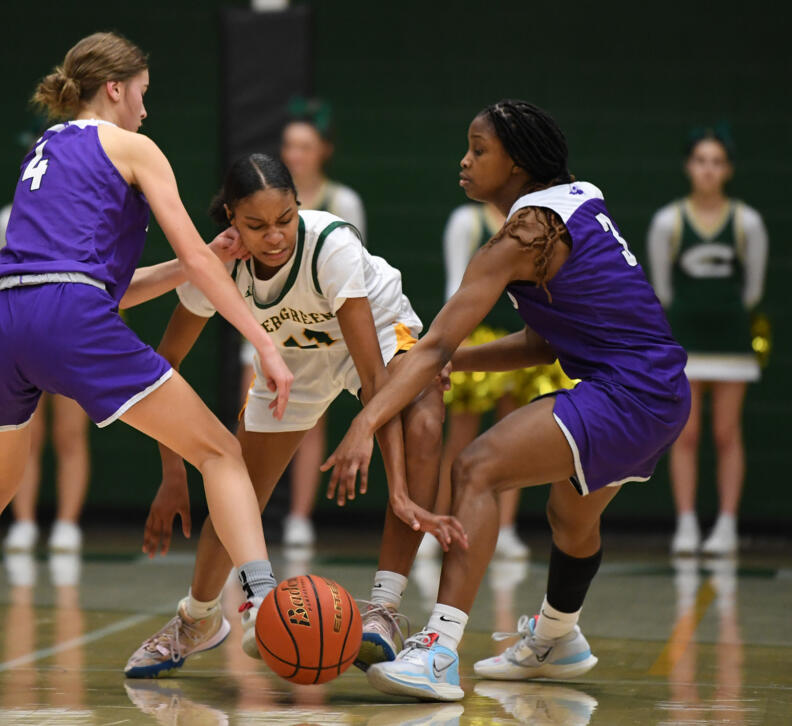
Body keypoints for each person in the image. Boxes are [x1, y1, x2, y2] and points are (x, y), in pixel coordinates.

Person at [0, 31, 294, 688]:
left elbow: (101, 286)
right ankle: (264, 606)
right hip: (64, 314)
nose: (145, 109)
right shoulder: (131, 146)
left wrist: (209, 258)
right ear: (115, 88)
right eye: (142, 94)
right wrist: (263, 342)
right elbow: (178, 259)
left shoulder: (44, 150)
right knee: (220, 452)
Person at [322, 100, 691, 701]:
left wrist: (366, 419)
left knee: (476, 468)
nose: (464, 162)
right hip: (659, 390)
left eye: (478, 150)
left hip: (629, 391)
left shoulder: (522, 235)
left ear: (516, 162)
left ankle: (439, 652)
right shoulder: (571, 210)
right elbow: (544, 343)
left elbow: (435, 341)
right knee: (571, 519)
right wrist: (456, 362)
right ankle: (557, 637)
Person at [124, 153, 463, 678]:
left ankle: (384, 607)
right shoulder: (218, 263)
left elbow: (374, 379)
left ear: (298, 207)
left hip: (374, 341)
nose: (275, 236)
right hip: (292, 364)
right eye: (256, 225)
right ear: (231, 217)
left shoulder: (331, 245)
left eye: (285, 219)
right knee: (236, 491)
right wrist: (173, 474)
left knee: (421, 421)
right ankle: (197, 619)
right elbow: (161, 369)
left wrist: (378, 455)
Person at [422, 202, 577, 560]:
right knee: (459, 438)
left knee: (513, 434)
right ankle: (438, 525)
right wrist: (453, 340)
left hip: (525, 339)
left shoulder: (541, 224)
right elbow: (456, 287)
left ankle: (504, 529)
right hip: (477, 336)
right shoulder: (467, 220)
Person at [246, 99, 367, 548]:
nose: (294, 154)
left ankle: (299, 517)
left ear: (323, 150)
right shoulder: (262, 200)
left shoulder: (342, 202)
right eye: (289, 146)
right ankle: (245, 513)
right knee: (255, 412)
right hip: (265, 321)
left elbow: (354, 275)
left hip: (318, 323)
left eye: (304, 145)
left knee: (310, 417)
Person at [647, 127, 768, 557]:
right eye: (701, 160)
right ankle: (686, 524)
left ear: (728, 169)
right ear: (689, 167)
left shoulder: (747, 221)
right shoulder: (669, 220)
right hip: (686, 341)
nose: (709, 170)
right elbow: (661, 288)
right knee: (687, 433)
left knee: (727, 433)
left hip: (732, 341)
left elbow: (753, 289)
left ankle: (727, 525)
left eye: (717, 162)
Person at [0, 201, 90, 553]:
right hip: (23, 332)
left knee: (70, 433)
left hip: (74, 333)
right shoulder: (8, 217)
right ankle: (23, 522)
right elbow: (3, 277)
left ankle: (67, 523)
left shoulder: (86, 212)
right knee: (26, 435)